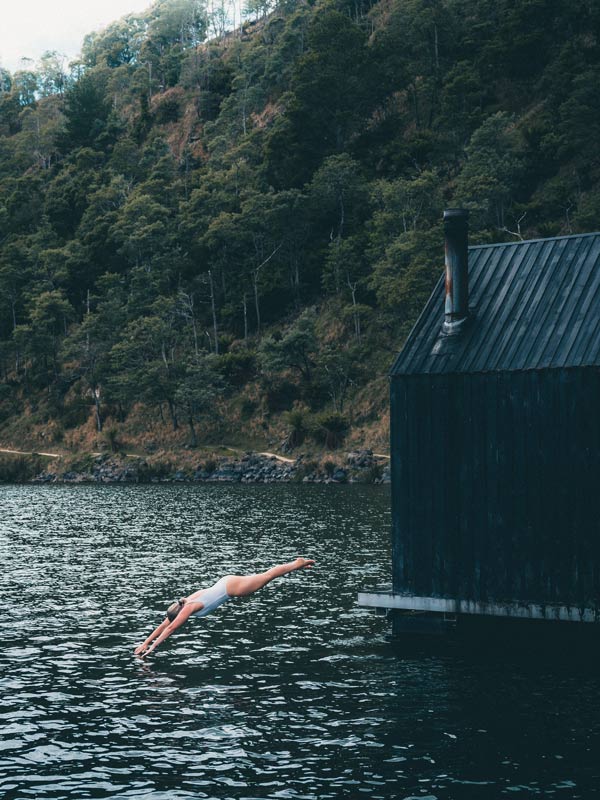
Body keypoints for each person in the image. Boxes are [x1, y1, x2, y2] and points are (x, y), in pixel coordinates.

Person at [134, 557, 316, 656]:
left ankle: (296, 563)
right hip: (225, 582)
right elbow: (165, 624)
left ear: (180, 613)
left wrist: (151, 648)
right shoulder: (183, 602)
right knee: (264, 575)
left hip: (232, 588)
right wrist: (144, 643)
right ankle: (297, 566)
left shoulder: (188, 608)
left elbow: (171, 628)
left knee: (267, 576)